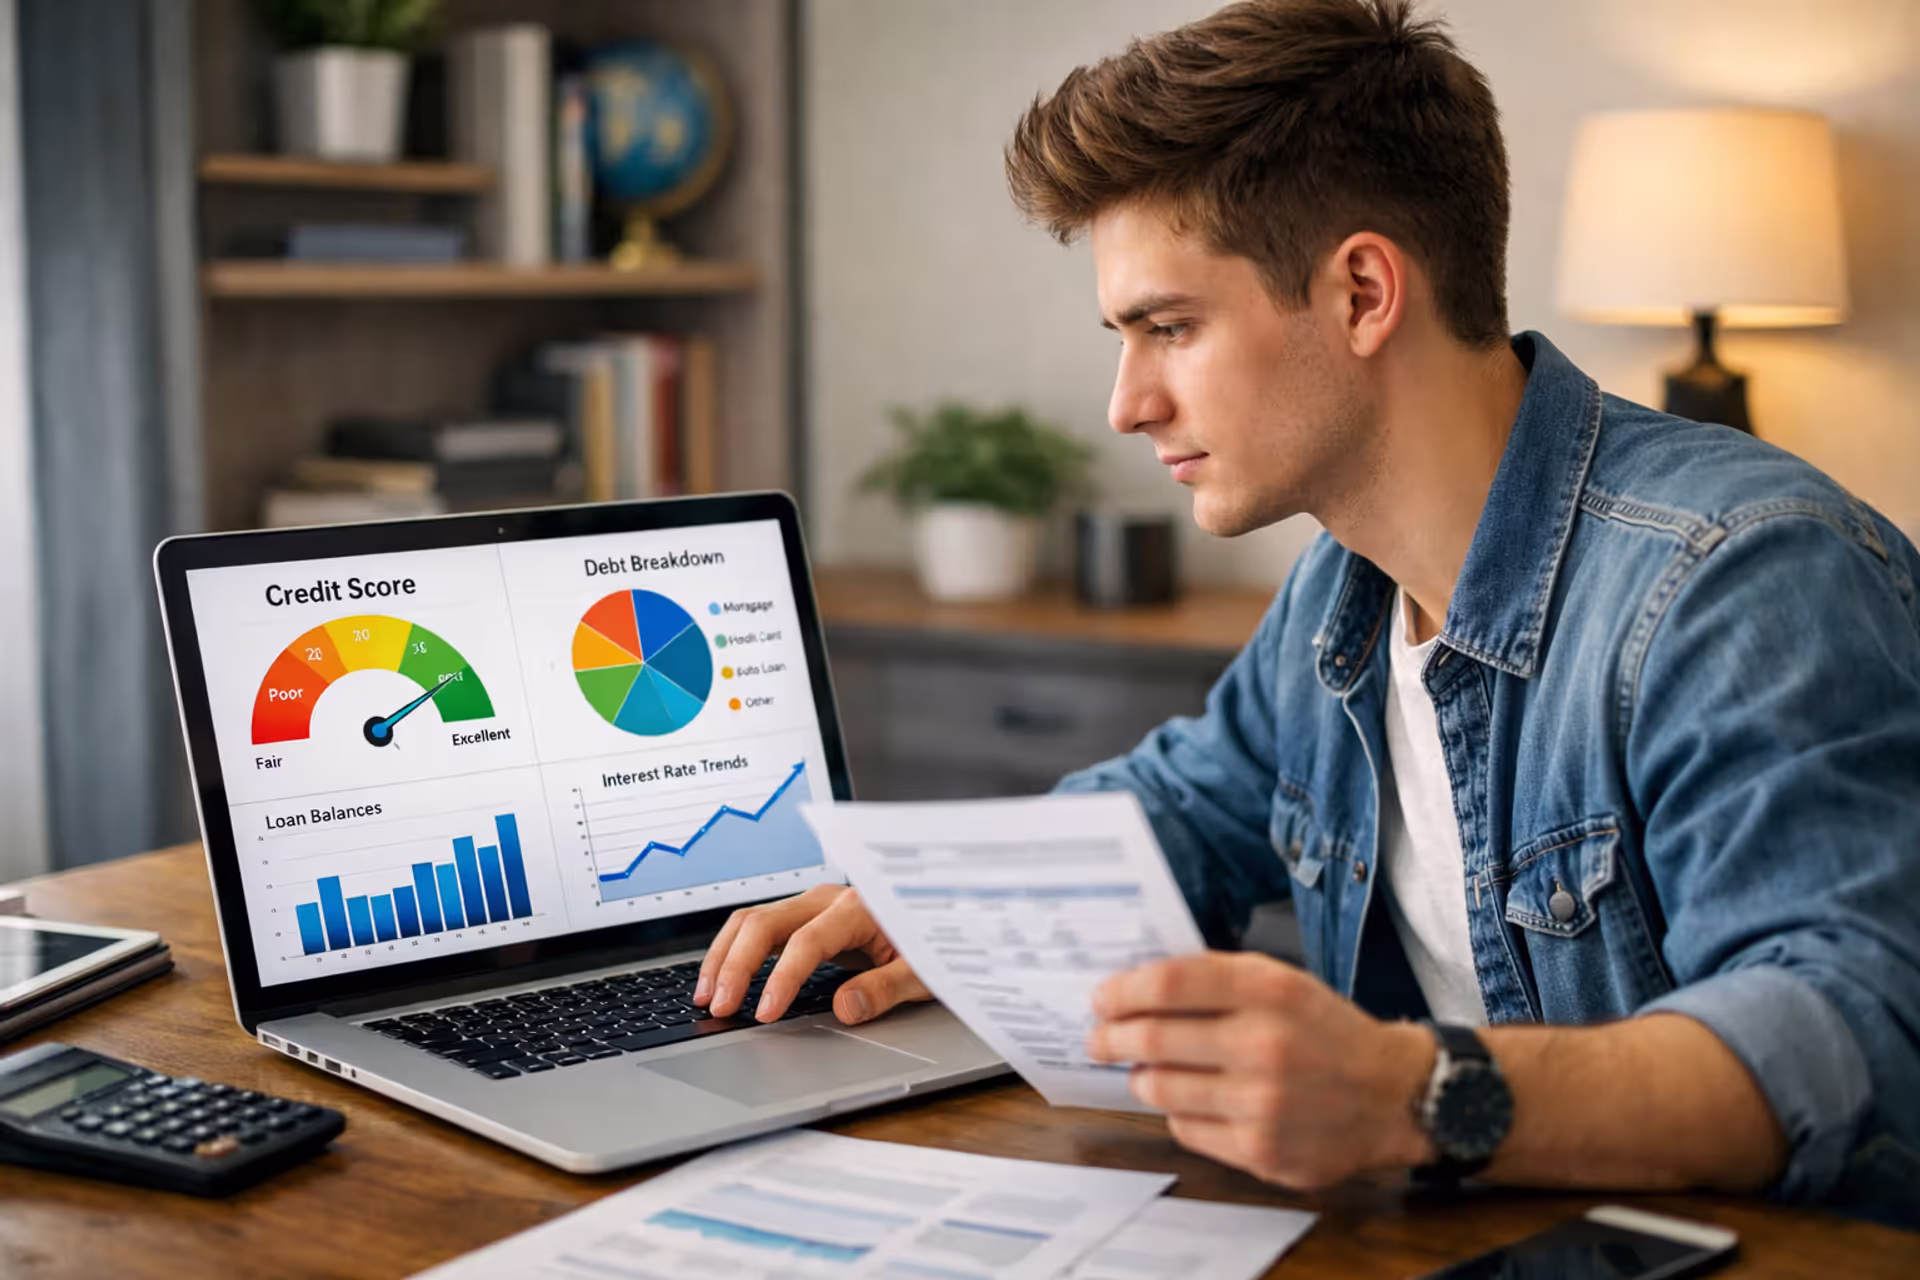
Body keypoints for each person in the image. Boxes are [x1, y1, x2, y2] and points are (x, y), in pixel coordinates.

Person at [697, 0, 1920, 1222]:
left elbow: (1847, 1033)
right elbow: (1186, 804)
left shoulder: (1741, 578)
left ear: (1363, 293)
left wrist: (1411, 1091)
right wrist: (947, 907)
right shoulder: (1340, 592)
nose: (1126, 404)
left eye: (1169, 327)